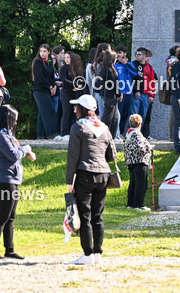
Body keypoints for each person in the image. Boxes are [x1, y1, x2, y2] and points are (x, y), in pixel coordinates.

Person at [66, 94, 117, 265]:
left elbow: (72, 157)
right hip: (103, 174)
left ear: (81, 109)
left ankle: (87, 254)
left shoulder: (78, 127)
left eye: (76, 106)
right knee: (98, 215)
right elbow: (111, 155)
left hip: (85, 173)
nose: (74, 109)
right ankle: (98, 253)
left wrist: (69, 181)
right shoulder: (104, 127)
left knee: (85, 215)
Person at [0, 104, 35, 260]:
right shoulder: (0, 136)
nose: (15, 123)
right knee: (3, 215)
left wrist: (25, 151)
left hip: (13, 178)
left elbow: (16, 152)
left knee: (11, 216)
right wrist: (27, 148)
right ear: (8, 119)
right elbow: (14, 155)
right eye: (14, 120)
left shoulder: (7, 135)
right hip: (5, 179)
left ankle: (10, 249)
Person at [124, 113, 153, 211]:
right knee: (141, 184)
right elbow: (140, 148)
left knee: (133, 183)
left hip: (131, 161)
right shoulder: (137, 134)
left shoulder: (129, 133)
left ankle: (131, 204)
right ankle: (139, 205)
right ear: (139, 123)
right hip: (139, 161)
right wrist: (149, 147)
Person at [93, 45, 121, 139]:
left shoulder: (102, 68)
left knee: (113, 117)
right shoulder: (109, 70)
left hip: (105, 96)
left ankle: (110, 136)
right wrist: (119, 94)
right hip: (109, 97)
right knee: (109, 117)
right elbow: (113, 84)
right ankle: (107, 136)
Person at [32, 44, 58, 139]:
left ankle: (41, 136)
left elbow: (51, 77)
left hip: (47, 90)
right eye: (41, 51)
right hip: (40, 90)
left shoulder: (49, 62)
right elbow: (39, 76)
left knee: (42, 113)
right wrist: (50, 87)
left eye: (44, 51)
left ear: (48, 52)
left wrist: (54, 86)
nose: (42, 53)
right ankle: (52, 134)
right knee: (49, 112)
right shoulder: (38, 61)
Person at [50, 46, 65, 138]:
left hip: (60, 93)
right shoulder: (49, 68)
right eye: (62, 53)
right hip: (53, 93)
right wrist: (55, 84)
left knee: (59, 112)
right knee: (54, 113)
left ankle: (58, 132)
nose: (63, 55)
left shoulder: (59, 67)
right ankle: (54, 133)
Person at [142, 50, 156, 138]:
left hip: (148, 94)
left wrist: (151, 95)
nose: (149, 58)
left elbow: (152, 81)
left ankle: (146, 134)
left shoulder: (149, 67)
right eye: (148, 56)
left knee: (147, 116)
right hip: (141, 93)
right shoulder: (138, 66)